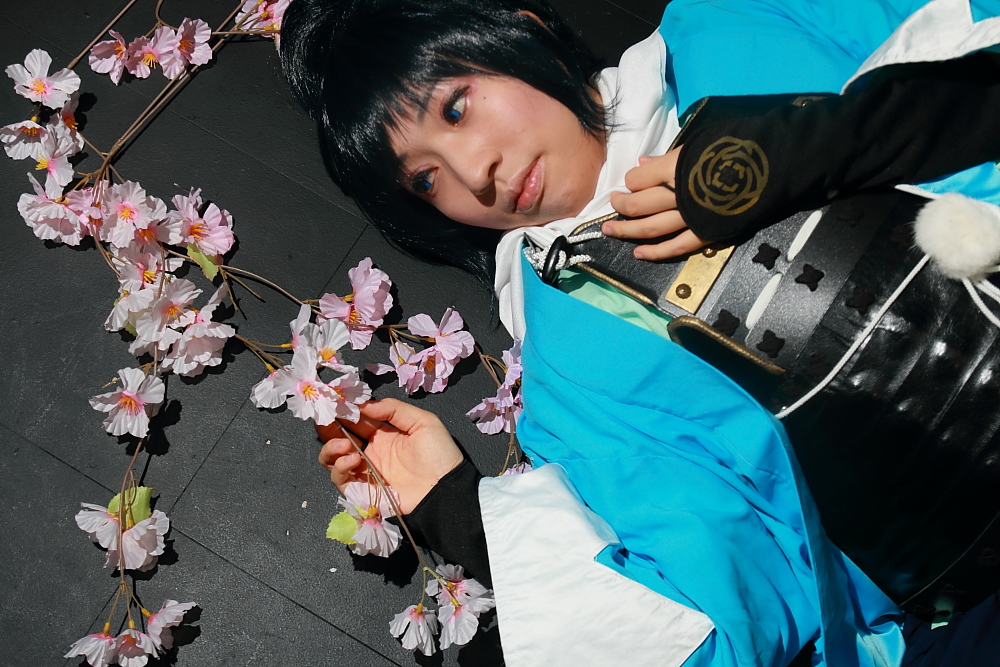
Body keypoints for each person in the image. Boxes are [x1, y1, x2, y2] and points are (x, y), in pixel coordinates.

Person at [282, 0, 1000, 664]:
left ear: (522, 27)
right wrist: (462, 515)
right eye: (425, 179)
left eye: (456, 106)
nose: (475, 172)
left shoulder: (738, 21)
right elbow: (731, 602)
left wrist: (827, 145)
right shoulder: (568, 379)